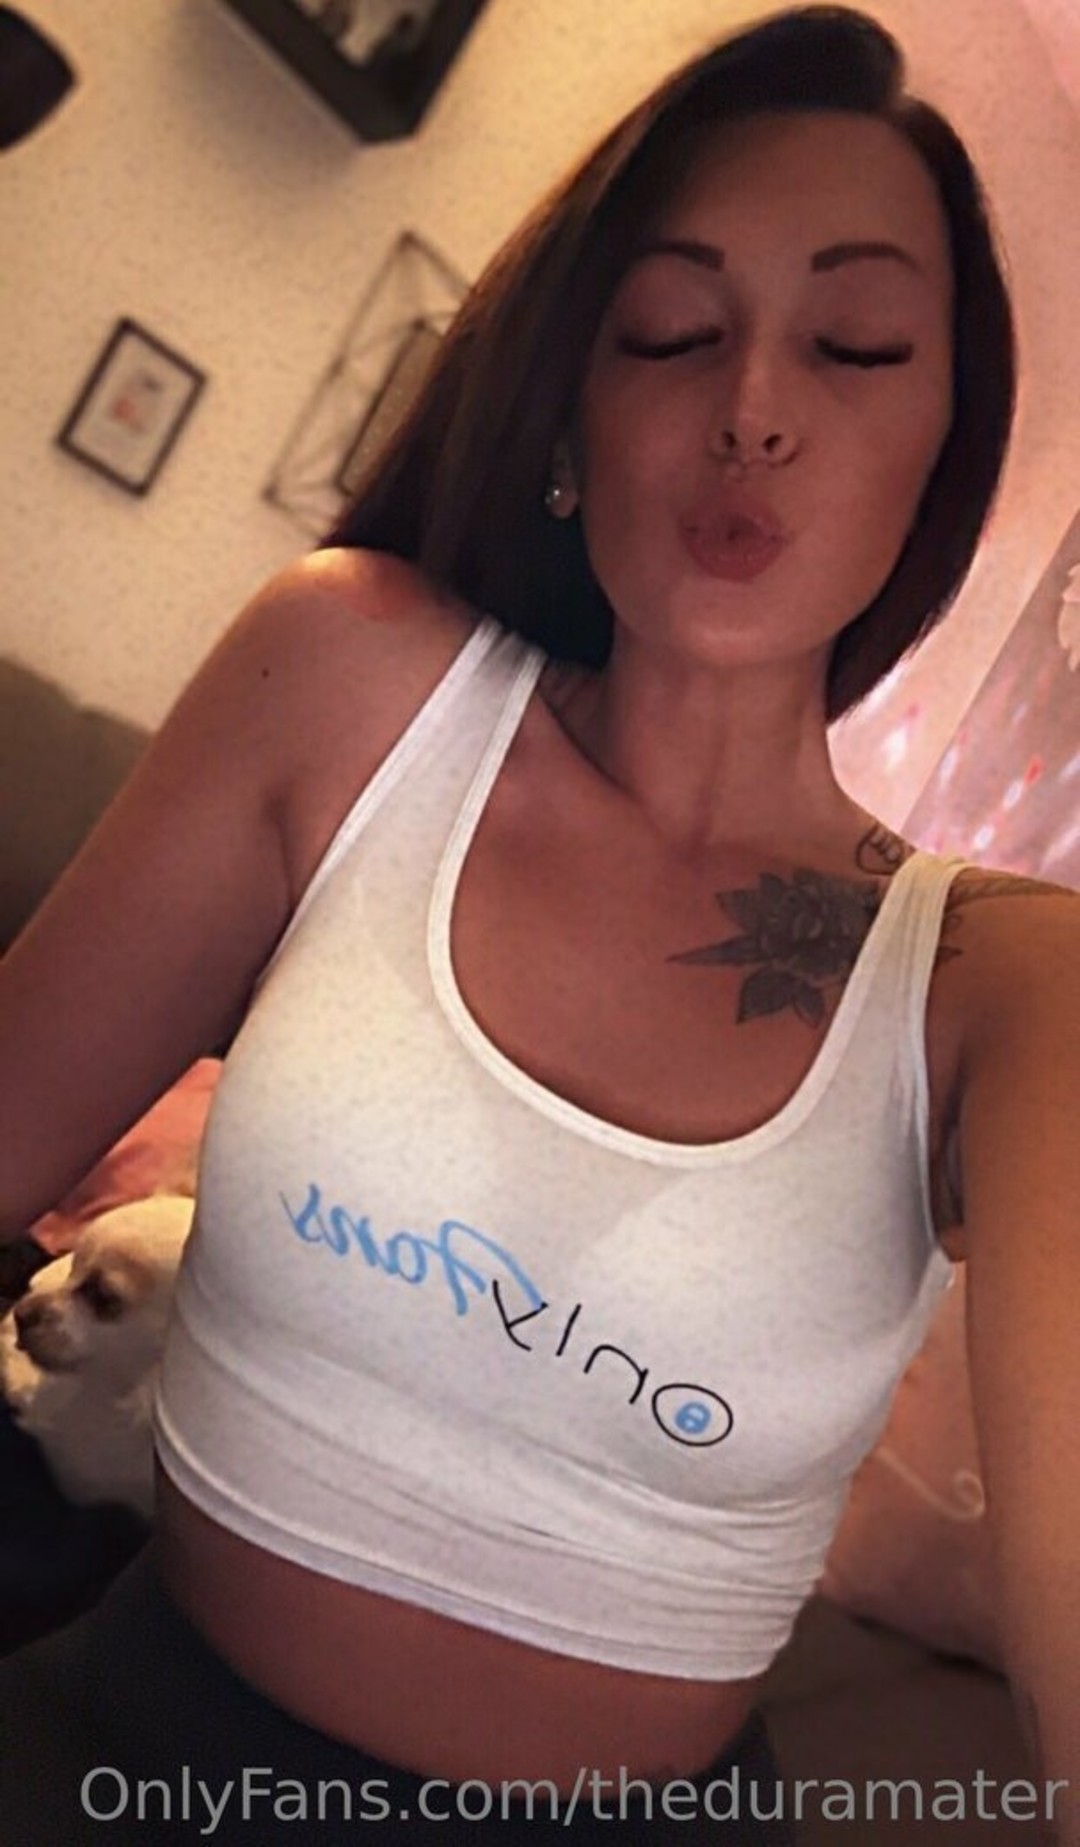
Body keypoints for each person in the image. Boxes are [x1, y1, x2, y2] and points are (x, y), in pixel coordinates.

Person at [1, 5, 1077, 1842]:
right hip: (135, 1740)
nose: (755, 406)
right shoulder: (346, 679)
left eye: (855, 345)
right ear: (570, 404)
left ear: (940, 451)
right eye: (671, 328)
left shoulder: (1002, 985)